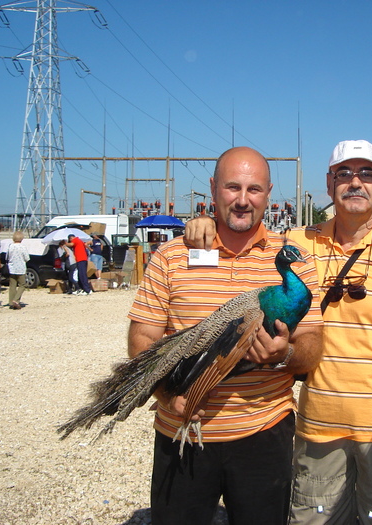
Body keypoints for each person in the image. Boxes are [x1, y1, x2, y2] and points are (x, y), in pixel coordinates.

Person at [186, 140, 372, 523]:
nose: (355, 182)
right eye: (344, 173)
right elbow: (247, 236)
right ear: (329, 183)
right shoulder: (300, 242)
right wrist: (203, 223)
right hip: (319, 428)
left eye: (366, 173)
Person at [127, 146, 324, 524]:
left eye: (254, 189)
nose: (243, 200)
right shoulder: (173, 254)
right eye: (233, 187)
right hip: (184, 427)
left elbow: (312, 345)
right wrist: (168, 396)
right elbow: (144, 339)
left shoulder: (295, 256)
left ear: (268, 194)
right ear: (214, 188)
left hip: (264, 432)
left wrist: (282, 355)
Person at [6, 231, 30, 310]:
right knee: (22, 285)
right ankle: (16, 300)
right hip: (21, 268)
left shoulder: (10, 246)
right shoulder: (23, 247)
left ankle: (11, 302)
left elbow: (7, 257)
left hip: (12, 267)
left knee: (12, 285)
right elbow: (27, 258)